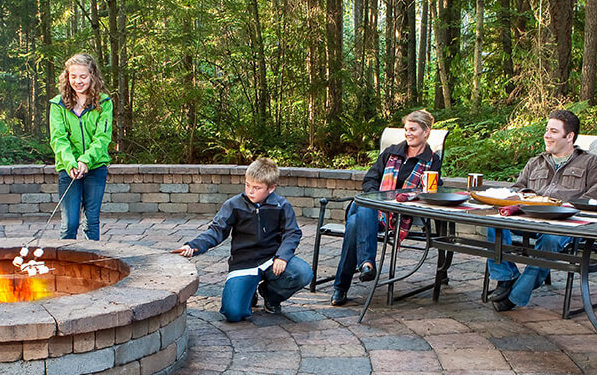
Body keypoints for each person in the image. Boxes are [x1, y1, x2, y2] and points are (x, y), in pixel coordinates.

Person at [487, 109, 597, 312]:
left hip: (564, 223)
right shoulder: (536, 162)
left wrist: (567, 207)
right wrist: (524, 196)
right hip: (529, 216)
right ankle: (506, 277)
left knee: (550, 240)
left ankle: (516, 294)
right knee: (494, 223)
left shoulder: (591, 163)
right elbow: (517, 188)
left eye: (553, 131)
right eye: (547, 130)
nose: (546, 135)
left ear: (569, 136)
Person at [173, 157, 313, 322]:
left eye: (256, 187)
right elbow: (217, 231)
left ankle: (270, 296)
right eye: (247, 185)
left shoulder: (282, 206)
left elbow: (292, 233)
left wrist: (282, 256)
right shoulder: (233, 205)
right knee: (233, 314)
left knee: (302, 273)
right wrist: (193, 246)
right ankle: (248, 291)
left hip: (271, 259)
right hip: (244, 263)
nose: (250, 191)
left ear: (271, 188)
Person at [330, 109, 442, 307]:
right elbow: (370, 180)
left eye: (413, 129)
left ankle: (345, 284)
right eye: (406, 129)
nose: (408, 133)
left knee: (355, 224)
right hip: (372, 207)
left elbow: (430, 190)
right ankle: (365, 264)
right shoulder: (391, 152)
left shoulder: (432, 161)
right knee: (367, 203)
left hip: (396, 215)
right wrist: (379, 198)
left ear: (426, 132)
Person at [49, 53, 113, 240]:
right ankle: (66, 263)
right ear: (67, 77)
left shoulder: (104, 103)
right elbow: (58, 139)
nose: (78, 81)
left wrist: (86, 160)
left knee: (91, 221)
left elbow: (102, 138)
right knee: (70, 223)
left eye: (83, 76)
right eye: (73, 76)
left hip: (95, 168)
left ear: (92, 76)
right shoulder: (57, 104)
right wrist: (71, 163)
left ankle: (92, 265)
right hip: (68, 170)